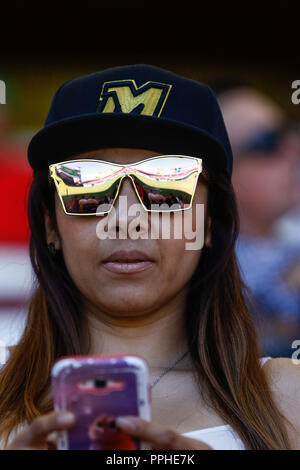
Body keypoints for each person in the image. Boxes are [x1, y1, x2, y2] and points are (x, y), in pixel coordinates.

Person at [0, 64, 299, 450]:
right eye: (86, 182)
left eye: (167, 182)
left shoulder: (289, 397)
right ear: (49, 223)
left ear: (211, 222)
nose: (127, 219)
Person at [217, 87, 300, 357]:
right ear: (220, 174)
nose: (294, 149)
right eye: (268, 142)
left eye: (289, 131)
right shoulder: (204, 267)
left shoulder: (290, 239)